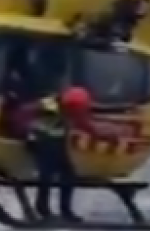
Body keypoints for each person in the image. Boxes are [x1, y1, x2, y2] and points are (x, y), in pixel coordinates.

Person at [19, 86, 94, 222]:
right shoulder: (49, 104)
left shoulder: (72, 109)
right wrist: (27, 132)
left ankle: (65, 210)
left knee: (69, 174)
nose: (76, 113)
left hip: (57, 141)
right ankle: (42, 206)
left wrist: (108, 134)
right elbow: (23, 112)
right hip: (41, 141)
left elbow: (84, 124)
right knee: (46, 174)